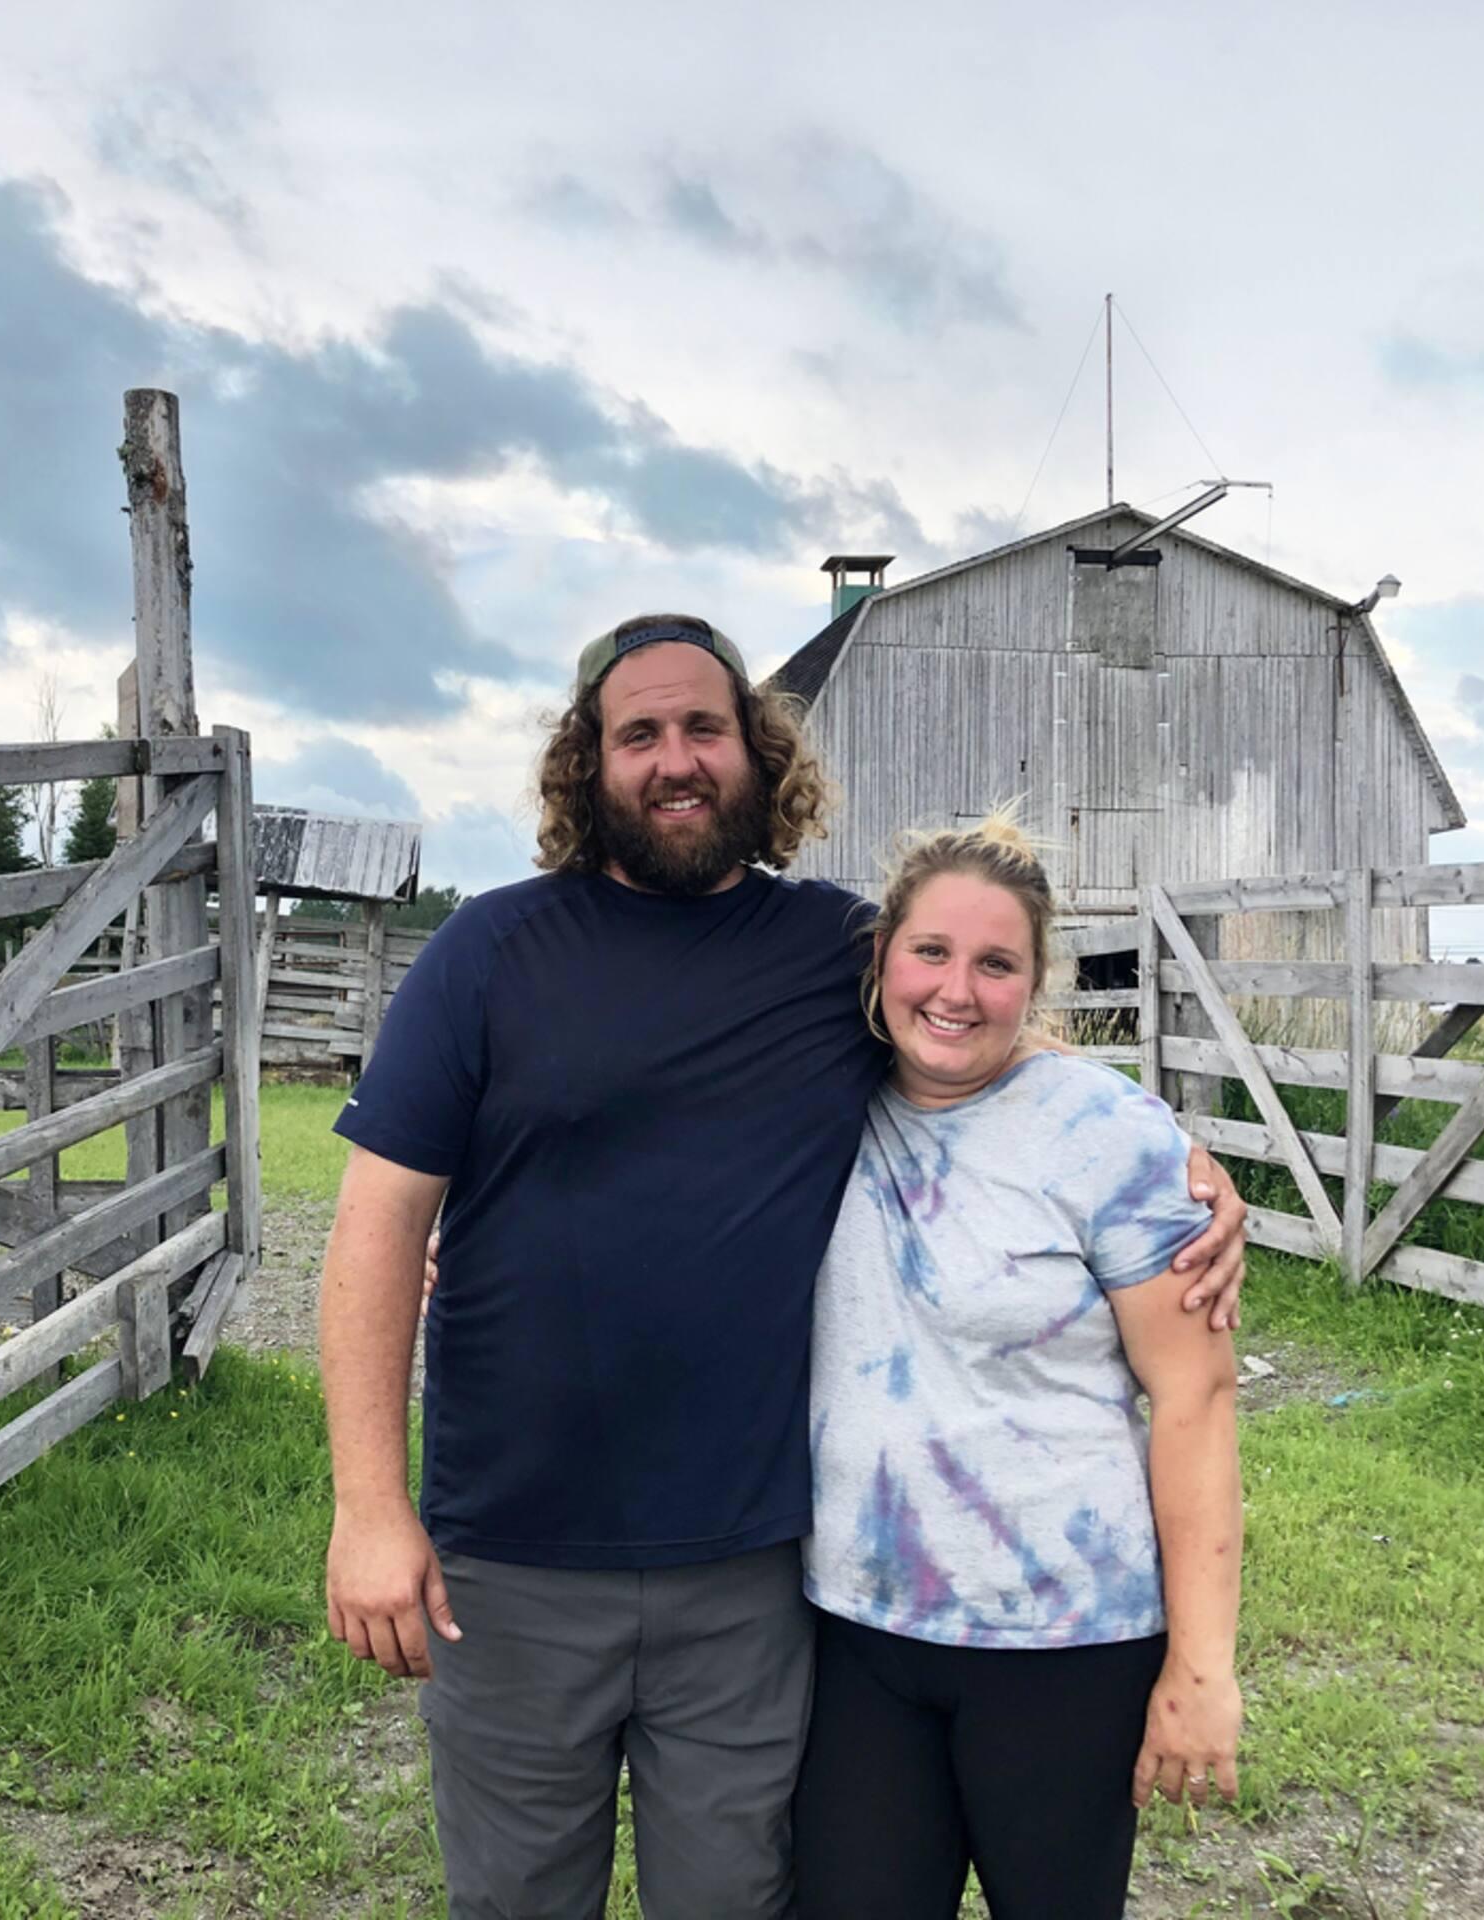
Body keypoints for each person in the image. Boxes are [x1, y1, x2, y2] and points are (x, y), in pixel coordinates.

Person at [319, 613, 1246, 1919]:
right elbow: (375, 1227)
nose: (675, 758)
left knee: (736, 1901)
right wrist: (370, 1506)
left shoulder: (829, 952)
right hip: (513, 1564)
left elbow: (969, 1013)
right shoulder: (490, 952)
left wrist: (1176, 1155)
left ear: (757, 755)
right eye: (637, 733)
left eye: (705, 727)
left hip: (750, 1573)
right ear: (589, 765)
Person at [791, 812, 1243, 1919]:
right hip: (854, 1630)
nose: (957, 989)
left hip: (1064, 1642)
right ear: (882, 959)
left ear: (1034, 981)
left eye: (996, 963)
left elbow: (1194, 1397)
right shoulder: (810, 1103)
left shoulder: (1109, 1138)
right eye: (930, 953)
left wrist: (1201, 1665)